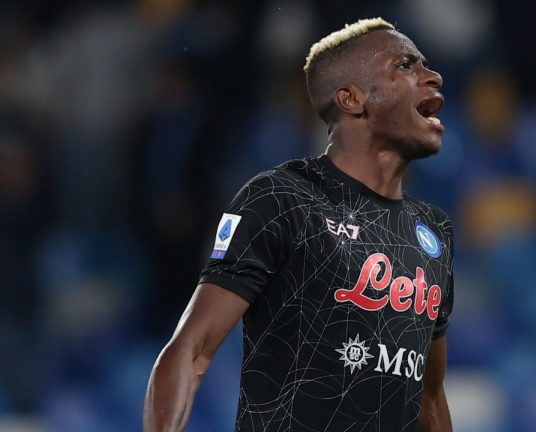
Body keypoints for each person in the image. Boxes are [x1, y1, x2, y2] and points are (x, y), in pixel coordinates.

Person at [143, 17, 454, 432]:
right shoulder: (281, 198)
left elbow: (429, 400)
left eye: (425, 65)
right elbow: (191, 349)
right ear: (351, 98)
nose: (432, 76)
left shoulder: (434, 231)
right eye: (404, 66)